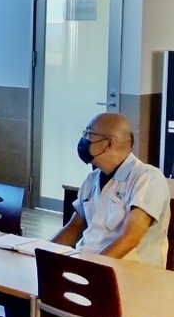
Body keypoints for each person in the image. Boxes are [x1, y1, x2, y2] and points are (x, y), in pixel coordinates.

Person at [51, 112, 171, 267]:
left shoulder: (148, 178)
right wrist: (43, 254)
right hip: (89, 264)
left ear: (110, 143)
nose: (84, 140)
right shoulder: (92, 178)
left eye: (89, 134)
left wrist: (91, 270)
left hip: (128, 272)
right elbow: (73, 229)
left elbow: (130, 238)